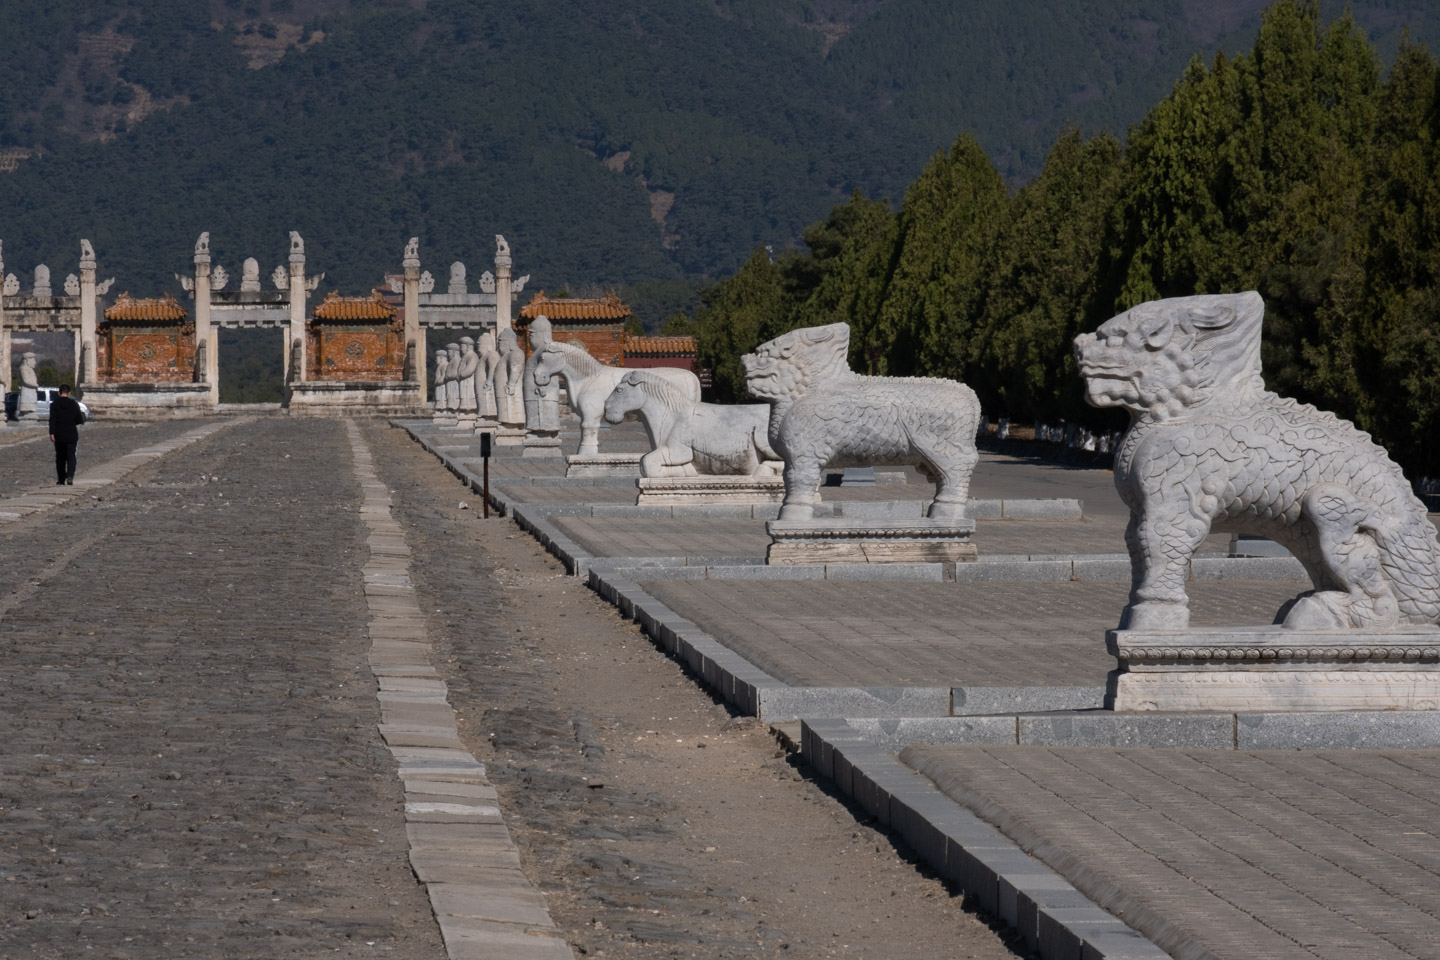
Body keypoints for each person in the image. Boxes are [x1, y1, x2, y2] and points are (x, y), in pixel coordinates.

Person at [48, 384, 86, 485]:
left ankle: (61, 479)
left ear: (59, 393)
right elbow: (79, 419)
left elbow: (52, 420)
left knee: (60, 457)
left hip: (58, 434)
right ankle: (70, 476)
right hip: (71, 433)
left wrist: (52, 433)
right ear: (69, 393)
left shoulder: (54, 404)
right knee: (71, 456)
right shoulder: (74, 404)